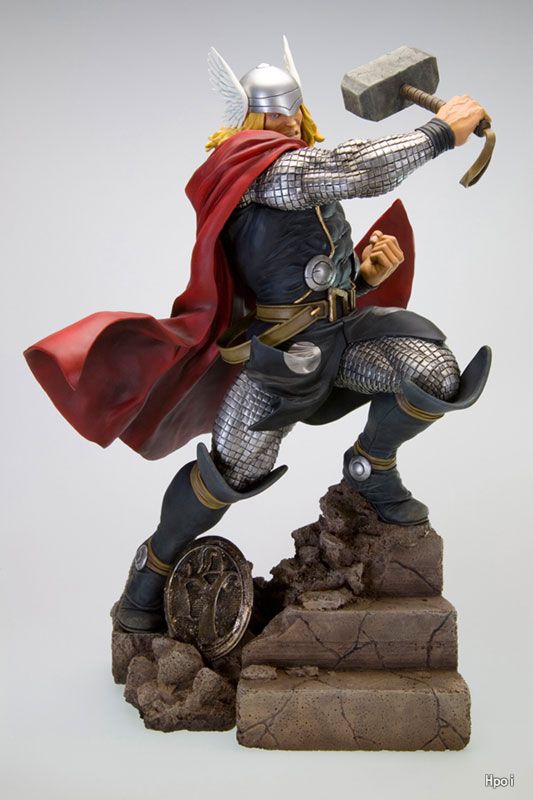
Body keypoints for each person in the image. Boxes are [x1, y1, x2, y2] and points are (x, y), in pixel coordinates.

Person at [24, 39, 491, 633]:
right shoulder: (264, 172)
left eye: (292, 110)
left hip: (344, 334)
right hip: (283, 358)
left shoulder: (299, 168)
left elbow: (307, 262)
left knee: (435, 373)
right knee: (236, 469)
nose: (286, 121)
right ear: (245, 121)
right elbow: (353, 169)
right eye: (271, 114)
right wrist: (439, 134)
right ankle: (152, 568)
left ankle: (371, 466)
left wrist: (363, 277)